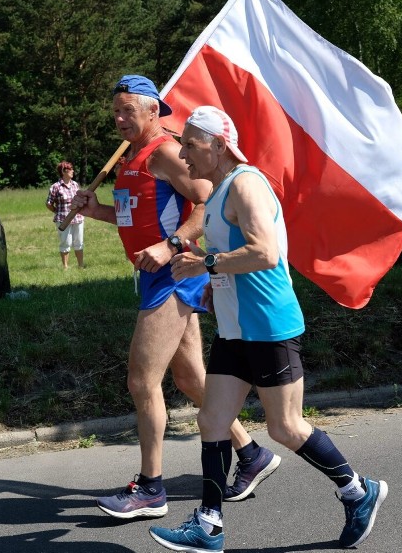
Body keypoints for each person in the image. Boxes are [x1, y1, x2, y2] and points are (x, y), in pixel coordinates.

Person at [150, 106, 388, 552]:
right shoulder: (220, 191)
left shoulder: (246, 183)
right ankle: (209, 523)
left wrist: (204, 263)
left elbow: (265, 254)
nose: (182, 154)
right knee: (212, 419)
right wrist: (212, 288)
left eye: (189, 144)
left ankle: (358, 490)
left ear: (218, 145)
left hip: (269, 327)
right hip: (236, 329)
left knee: (286, 428)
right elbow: (235, 262)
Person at [71, 76, 280, 520]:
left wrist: (172, 246)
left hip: (172, 275)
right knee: (190, 379)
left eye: (129, 110)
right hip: (151, 276)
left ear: (153, 111)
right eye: (116, 111)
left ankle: (150, 488)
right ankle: (251, 454)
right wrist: (97, 212)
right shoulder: (131, 158)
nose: (120, 118)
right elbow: (137, 217)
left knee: (141, 380)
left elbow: (208, 200)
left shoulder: (165, 151)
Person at [46, 160, 85, 269]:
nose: (73, 171)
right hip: (63, 219)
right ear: (64, 171)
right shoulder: (55, 187)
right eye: (70, 169)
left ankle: (81, 266)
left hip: (78, 217)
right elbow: (49, 203)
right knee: (65, 242)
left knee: (79, 241)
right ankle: (65, 267)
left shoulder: (75, 184)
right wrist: (57, 211)